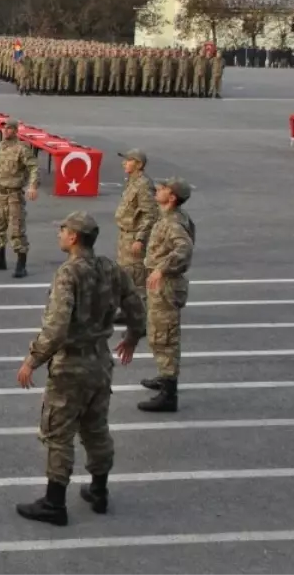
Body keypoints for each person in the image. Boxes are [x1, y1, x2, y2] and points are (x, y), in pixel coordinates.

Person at [14, 212, 146, 526]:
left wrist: (33, 359)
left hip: (71, 365)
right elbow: (136, 305)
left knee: (59, 433)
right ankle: (99, 491)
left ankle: (54, 502)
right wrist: (131, 337)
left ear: (74, 237)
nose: (60, 234)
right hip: (100, 362)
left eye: (63, 230)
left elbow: (57, 327)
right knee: (95, 428)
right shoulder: (111, 268)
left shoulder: (68, 273)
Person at [139, 177, 195, 412]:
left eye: (162, 189)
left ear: (172, 197)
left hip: (167, 285)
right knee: (159, 334)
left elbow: (184, 248)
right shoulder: (170, 217)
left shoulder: (174, 223)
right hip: (162, 283)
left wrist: (162, 268)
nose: (157, 190)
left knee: (165, 337)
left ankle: (169, 393)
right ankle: (165, 375)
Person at [0, 119, 39, 277]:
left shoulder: (22, 149)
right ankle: (0, 259)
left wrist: (33, 186)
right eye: (4, 129)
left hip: (13, 195)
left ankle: (21, 265)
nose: (5, 131)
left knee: (16, 229)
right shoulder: (0, 147)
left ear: (15, 131)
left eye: (9, 129)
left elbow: (33, 167)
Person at [112, 149, 157, 323]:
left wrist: (140, 238)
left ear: (139, 164)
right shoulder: (132, 182)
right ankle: (126, 311)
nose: (124, 163)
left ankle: (140, 319)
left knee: (137, 279)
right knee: (124, 276)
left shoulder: (144, 185)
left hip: (134, 237)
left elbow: (150, 214)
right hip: (125, 236)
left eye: (129, 160)